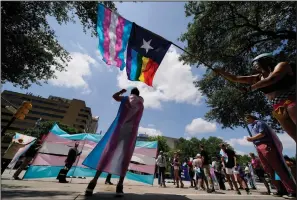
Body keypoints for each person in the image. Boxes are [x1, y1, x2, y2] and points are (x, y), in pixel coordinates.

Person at [214, 53, 296, 143]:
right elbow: (236, 78)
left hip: (291, 101)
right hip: (277, 108)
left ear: (266, 60)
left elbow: (272, 79)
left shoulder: (282, 65)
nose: (254, 65)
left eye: (256, 62)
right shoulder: (258, 78)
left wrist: (250, 88)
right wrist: (221, 72)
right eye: (253, 64)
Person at [83, 88, 144, 196]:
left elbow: (114, 96)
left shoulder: (126, 99)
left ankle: (93, 181)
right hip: (131, 132)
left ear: (131, 93)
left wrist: (121, 91)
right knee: (126, 156)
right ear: (139, 95)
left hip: (119, 128)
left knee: (108, 152)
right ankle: (119, 186)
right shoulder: (141, 105)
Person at [245, 114, 296, 198]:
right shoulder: (252, 126)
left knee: (277, 168)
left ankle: (292, 190)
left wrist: (252, 138)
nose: (246, 120)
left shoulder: (259, 123)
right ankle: (280, 189)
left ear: (252, 117)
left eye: (247, 118)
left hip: (266, 145)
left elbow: (262, 134)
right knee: (269, 169)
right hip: (259, 147)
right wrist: (253, 139)